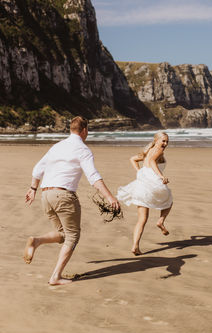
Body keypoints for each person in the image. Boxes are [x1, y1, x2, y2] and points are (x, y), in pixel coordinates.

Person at [24, 116, 120, 285]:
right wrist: (110, 197)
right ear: (84, 131)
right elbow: (93, 177)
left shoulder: (57, 147)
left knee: (63, 234)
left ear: (71, 129)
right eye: (87, 131)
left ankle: (36, 241)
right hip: (63, 196)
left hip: (46, 195)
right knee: (73, 237)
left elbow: (38, 169)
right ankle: (56, 276)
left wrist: (32, 189)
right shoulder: (83, 149)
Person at [117, 132, 173, 255]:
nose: (165, 144)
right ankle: (160, 221)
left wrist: (140, 172)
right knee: (169, 201)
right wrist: (161, 176)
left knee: (142, 219)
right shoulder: (158, 151)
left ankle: (135, 246)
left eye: (167, 141)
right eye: (163, 141)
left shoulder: (148, 150)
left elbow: (133, 159)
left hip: (142, 184)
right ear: (156, 140)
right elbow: (152, 161)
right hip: (152, 183)